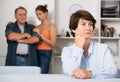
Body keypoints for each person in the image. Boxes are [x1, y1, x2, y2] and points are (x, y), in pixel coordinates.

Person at [61, 10, 117, 79]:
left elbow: (113, 71)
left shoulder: (102, 48)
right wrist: (79, 48)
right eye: (83, 24)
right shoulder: (67, 51)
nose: (88, 28)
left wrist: (90, 73)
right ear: (73, 29)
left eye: (90, 24)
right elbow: (70, 71)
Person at [33, 4, 57, 73]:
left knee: (43, 74)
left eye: (40, 14)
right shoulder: (37, 27)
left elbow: (53, 44)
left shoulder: (51, 26)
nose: (38, 16)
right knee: (35, 74)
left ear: (46, 13)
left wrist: (41, 35)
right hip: (35, 52)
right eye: (37, 14)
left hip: (46, 53)